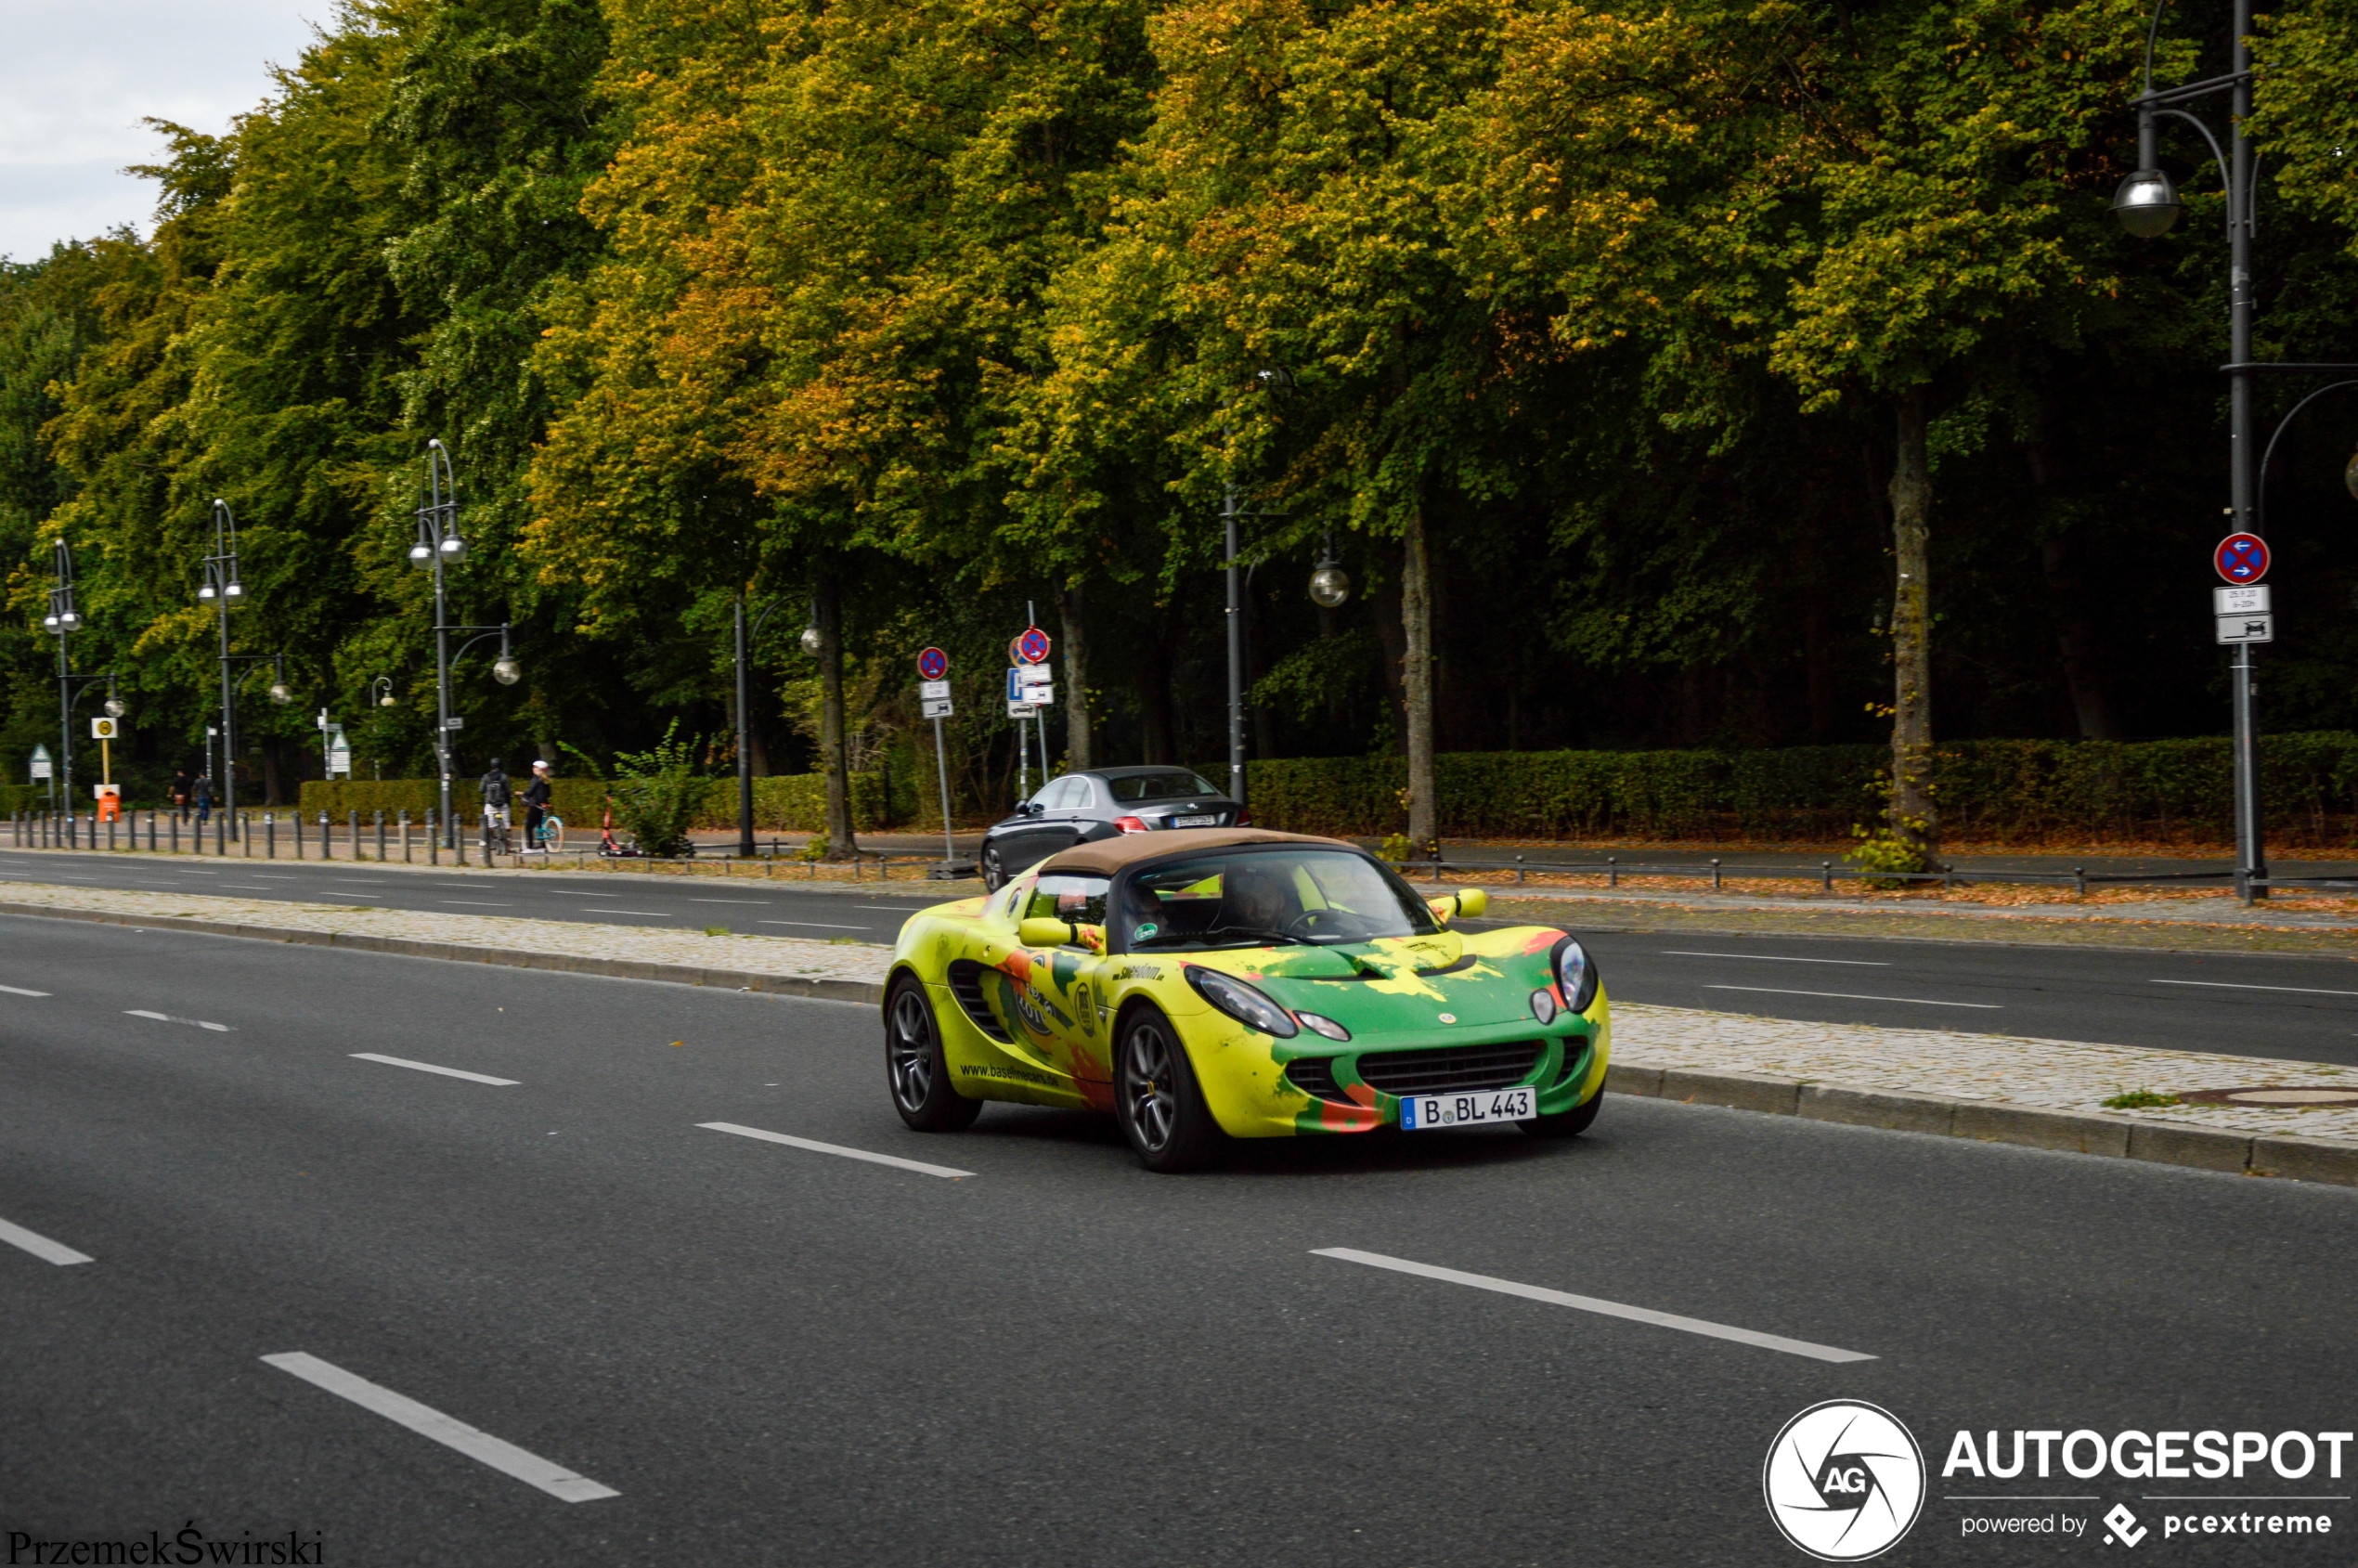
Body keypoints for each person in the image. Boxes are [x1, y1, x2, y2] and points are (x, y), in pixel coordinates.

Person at [479, 757, 512, 850]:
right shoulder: (504, 777)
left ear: (491, 766)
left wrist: (487, 792)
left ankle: (493, 842)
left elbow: (481, 789)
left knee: (489, 825)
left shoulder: (486, 777)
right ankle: (509, 846)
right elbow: (508, 791)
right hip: (503, 804)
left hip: (490, 805)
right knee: (507, 826)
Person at [521, 760, 552, 851]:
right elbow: (549, 794)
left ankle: (529, 847)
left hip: (535, 805)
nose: (533, 769)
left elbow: (530, 791)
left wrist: (522, 794)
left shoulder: (535, 779)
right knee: (540, 826)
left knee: (529, 827)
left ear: (540, 769)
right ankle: (543, 846)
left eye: (535, 767)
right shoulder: (546, 779)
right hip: (544, 805)